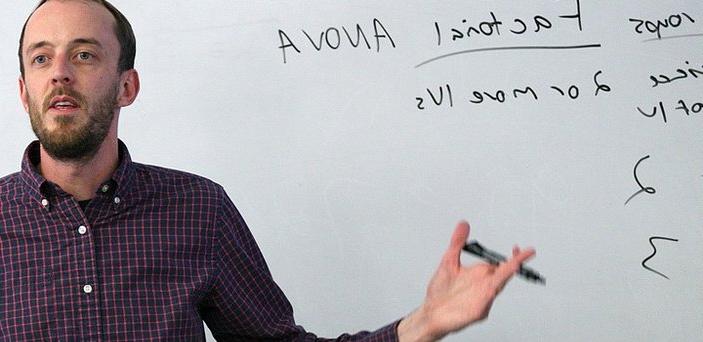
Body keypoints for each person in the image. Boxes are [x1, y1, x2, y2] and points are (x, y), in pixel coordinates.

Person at [0, 0, 537, 340]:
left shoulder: (197, 209)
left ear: (127, 86)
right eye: (41, 58)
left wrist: (422, 326)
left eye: (86, 55)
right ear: (24, 92)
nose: (61, 74)